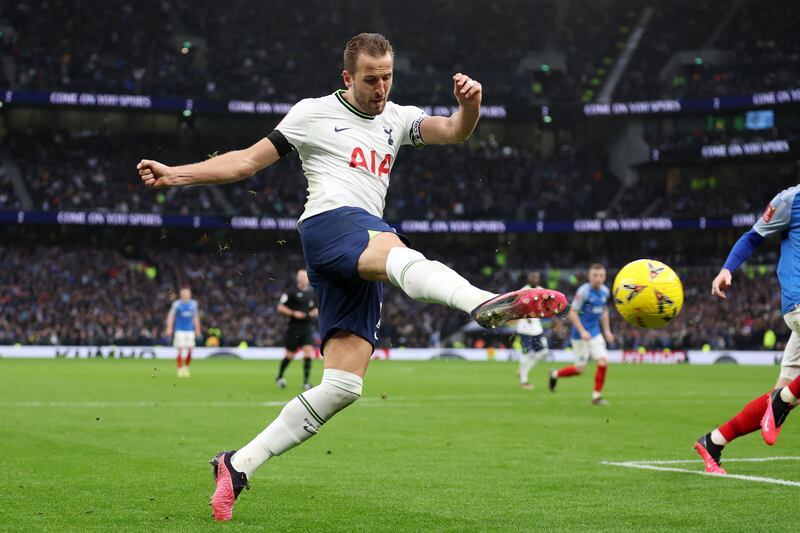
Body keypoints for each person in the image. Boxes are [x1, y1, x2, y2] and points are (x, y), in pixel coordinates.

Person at [138, 32, 567, 521]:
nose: (381, 88)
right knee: (395, 249)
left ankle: (237, 465)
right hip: (329, 225)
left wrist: (470, 107)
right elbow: (246, 162)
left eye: (387, 77)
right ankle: (482, 302)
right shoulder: (311, 113)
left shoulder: (398, 117)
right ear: (347, 77)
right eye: (370, 79)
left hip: (360, 249)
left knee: (343, 386)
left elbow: (454, 132)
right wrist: (176, 174)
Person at [694, 185, 800, 474]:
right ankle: (783, 401)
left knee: (782, 391)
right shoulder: (791, 199)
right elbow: (753, 235)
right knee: (784, 398)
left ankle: (714, 441)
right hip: (799, 299)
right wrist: (728, 268)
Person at [548, 264, 613, 405]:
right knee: (579, 369)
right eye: (595, 275)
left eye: (601, 275)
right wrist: (582, 330)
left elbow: (604, 311)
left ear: (605, 276)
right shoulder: (584, 291)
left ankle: (596, 397)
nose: (598, 278)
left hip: (595, 333)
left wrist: (607, 330)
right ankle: (555, 374)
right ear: (590, 276)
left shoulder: (605, 292)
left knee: (603, 361)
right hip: (580, 334)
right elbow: (572, 312)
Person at [275, 269, 318, 390]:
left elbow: (316, 308)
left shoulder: (312, 293)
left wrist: (314, 312)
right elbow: (280, 307)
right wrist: (293, 313)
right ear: (298, 279)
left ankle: (306, 382)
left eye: (305, 276)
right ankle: (280, 375)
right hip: (294, 328)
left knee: (308, 352)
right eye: (301, 277)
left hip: (307, 327)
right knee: (290, 355)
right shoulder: (290, 292)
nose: (303, 279)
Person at [516, 272, 551, 390]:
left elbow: (547, 306)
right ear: (528, 278)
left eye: (536, 277)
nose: (534, 279)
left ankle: (523, 370)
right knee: (525, 354)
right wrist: (525, 315)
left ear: (539, 279)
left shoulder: (542, 291)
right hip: (525, 328)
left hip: (537, 328)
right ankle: (524, 381)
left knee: (543, 352)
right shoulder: (523, 291)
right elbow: (517, 307)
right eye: (532, 276)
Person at [165, 285, 201, 378]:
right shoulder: (177, 304)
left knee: (190, 350)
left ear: (190, 294)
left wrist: (197, 329)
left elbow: (195, 317)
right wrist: (169, 327)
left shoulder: (193, 304)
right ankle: (180, 368)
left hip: (190, 330)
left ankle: (186, 367)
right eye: (184, 294)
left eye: (187, 293)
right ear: (181, 295)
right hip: (179, 329)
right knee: (180, 349)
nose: (185, 295)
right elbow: (171, 315)